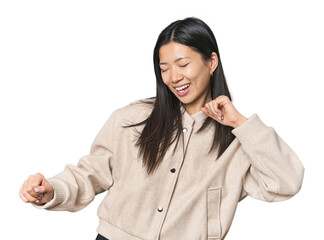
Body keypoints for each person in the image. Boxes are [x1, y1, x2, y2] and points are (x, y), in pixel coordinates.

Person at [19, 17, 305, 240]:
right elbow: (89, 174)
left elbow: (287, 182)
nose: (173, 77)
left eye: (183, 64)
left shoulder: (240, 142)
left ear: (211, 62)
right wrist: (52, 190)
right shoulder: (131, 119)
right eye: (164, 68)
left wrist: (240, 123)